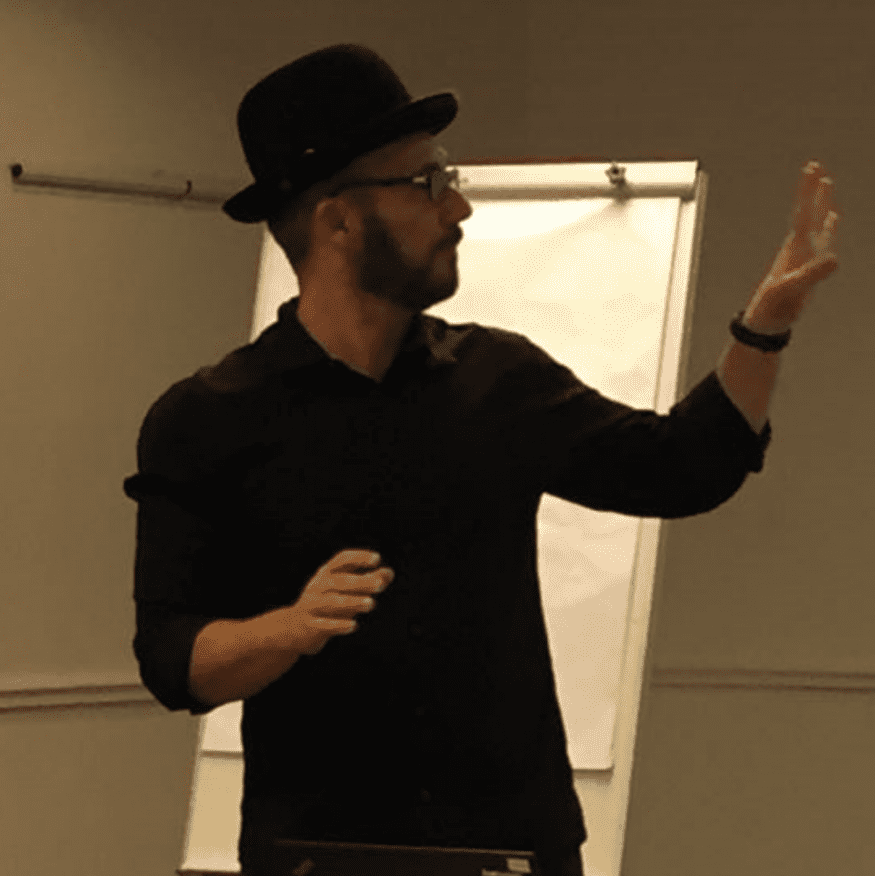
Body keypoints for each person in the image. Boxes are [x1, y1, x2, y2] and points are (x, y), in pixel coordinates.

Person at [123, 44, 839, 876]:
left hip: (512, 845)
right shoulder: (207, 417)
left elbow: (680, 467)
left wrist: (762, 327)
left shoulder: (496, 379)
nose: (458, 206)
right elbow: (173, 660)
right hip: (321, 849)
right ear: (338, 220)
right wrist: (287, 629)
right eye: (426, 182)